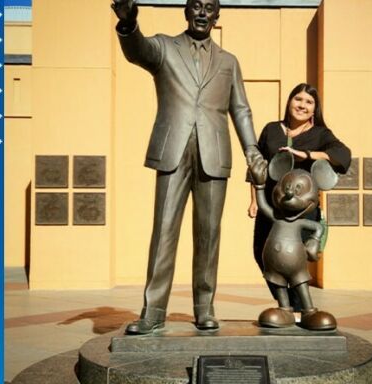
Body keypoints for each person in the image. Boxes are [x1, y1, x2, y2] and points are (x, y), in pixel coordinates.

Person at [112, 0, 264, 334]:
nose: (202, 12)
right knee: (164, 230)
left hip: (215, 153)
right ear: (186, 11)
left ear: (216, 15)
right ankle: (153, 311)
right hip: (173, 151)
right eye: (196, 5)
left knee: (209, 234)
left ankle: (204, 308)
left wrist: (252, 151)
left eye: (209, 7)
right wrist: (129, 25)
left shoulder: (229, 62)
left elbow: (241, 109)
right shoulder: (165, 47)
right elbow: (138, 51)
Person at [247, 83, 351, 311]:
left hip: (303, 210)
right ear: (289, 102)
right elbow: (257, 166)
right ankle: (285, 304)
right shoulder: (272, 129)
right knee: (261, 253)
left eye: (308, 102)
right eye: (298, 99)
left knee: (295, 260)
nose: (302, 105)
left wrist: (306, 154)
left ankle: (296, 309)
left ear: (314, 110)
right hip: (272, 207)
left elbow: (343, 155)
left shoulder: (321, 134)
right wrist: (255, 200)